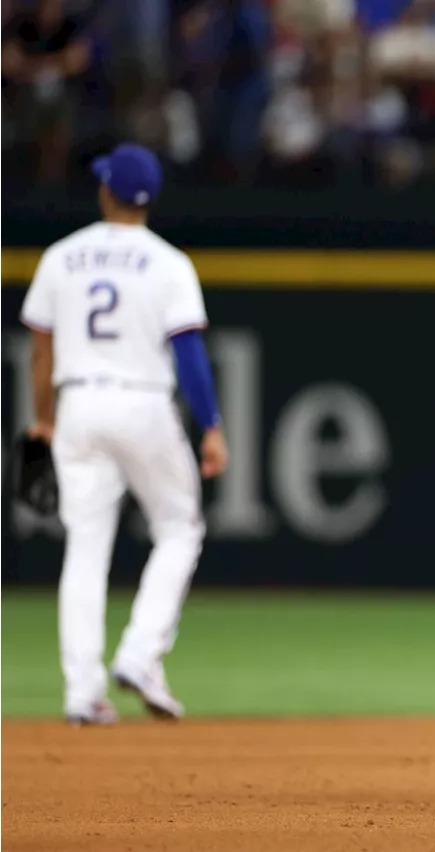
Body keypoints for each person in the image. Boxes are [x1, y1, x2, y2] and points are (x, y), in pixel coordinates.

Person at [19, 142, 228, 726]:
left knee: (85, 547)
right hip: (142, 403)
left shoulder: (62, 256)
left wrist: (43, 418)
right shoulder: (168, 262)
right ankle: (140, 654)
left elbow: (41, 349)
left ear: (106, 191)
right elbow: (188, 353)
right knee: (179, 527)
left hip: (78, 401)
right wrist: (210, 425)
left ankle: (81, 692)